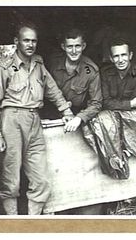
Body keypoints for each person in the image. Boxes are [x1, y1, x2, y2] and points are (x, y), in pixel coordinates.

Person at [0, 22, 74, 215]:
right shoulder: (4, 68)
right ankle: (13, 222)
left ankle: (32, 221)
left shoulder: (38, 65)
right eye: (26, 40)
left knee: (41, 178)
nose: (30, 44)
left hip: (35, 120)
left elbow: (53, 91)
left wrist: (66, 112)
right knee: (11, 178)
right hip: (11, 120)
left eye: (34, 41)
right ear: (16, 41)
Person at [46, 28, 103, 214]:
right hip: (50, 114)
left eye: (78, 46)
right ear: (63, 46)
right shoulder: (52, 64)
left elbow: (96, 103)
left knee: (74, 163)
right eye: (70, 46)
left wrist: (79, 118)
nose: (74, 51)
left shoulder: (91, 70)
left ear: (84, 46)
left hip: (76, 119)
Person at [90, 37, 136, 179]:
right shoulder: (106, 73)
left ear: (130, 55)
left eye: (123, 55)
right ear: (111, 59)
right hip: (113, 115)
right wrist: (129, 104)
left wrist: (121, 105)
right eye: (116, 56)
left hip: (131, 118)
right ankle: (117, 163)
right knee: (103, 120)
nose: (120, 60)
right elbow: (105, 102)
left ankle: (127, 152)